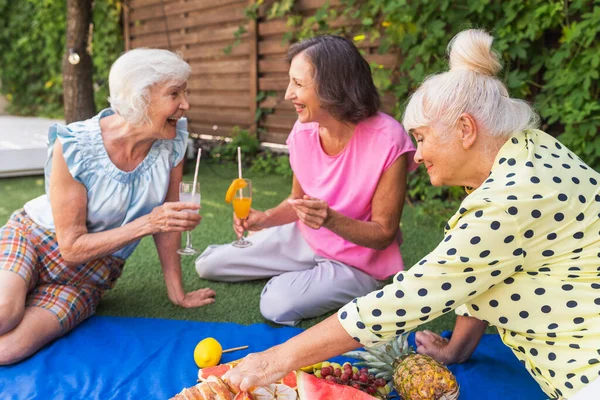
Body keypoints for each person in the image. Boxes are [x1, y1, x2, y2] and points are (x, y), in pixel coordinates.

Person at [222, 29, 600, 399]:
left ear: (466, 129)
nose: (416, 155)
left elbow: (410, 296)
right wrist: (456, 351)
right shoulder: (534, 150)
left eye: (420, 137)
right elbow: (482, 269)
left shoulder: (509, 202)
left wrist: (275, 359)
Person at [0, 48, 216, 365]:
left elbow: (168, 222)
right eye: (174, 93)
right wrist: (149, 223)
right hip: (34, 238)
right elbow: (71, 247)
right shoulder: (74, 144)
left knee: (8, 350)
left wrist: (177, 292)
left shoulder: (173, 141)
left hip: (92, 273)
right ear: (141, 98)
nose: (186, 104)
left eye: (185, 92)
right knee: (4, 313)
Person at [195, 35, 417, 326]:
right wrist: (265, 219)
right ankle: (299, 271)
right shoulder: (303, 133)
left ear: (333, 88)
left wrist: (330, 220)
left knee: (275, 304)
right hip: (306, 239)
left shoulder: (388, 139)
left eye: (298, 84)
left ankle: (314, 280)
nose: (288, 94)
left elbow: (383, 234)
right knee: (207, 264)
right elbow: (297, 201)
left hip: (357, 263)